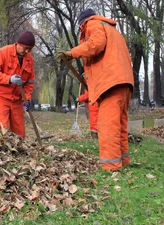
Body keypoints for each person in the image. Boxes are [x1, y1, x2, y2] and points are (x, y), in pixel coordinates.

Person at [59, 9, 134, 171]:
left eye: (80, 27)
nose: (81, 30)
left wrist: (72, 53)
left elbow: (96, 45)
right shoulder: (112, 29)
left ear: (82, 22)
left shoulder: (93, 24)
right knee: (120, 124)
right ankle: (123, 160)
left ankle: (111, 165)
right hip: (124, 80)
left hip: (111, 82)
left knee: (107, 125)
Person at [0, 31, 36, 138]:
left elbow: (29, 82)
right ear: (18, 44)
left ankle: (19, 153)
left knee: (20, 133)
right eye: (25, 48)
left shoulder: (29, 59)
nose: (27, 51)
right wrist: (9, 79)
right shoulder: (3, 53)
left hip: (17, 99)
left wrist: (27, 99)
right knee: (3, 129)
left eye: (30, 49)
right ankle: (4, 152)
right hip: (0, 96)